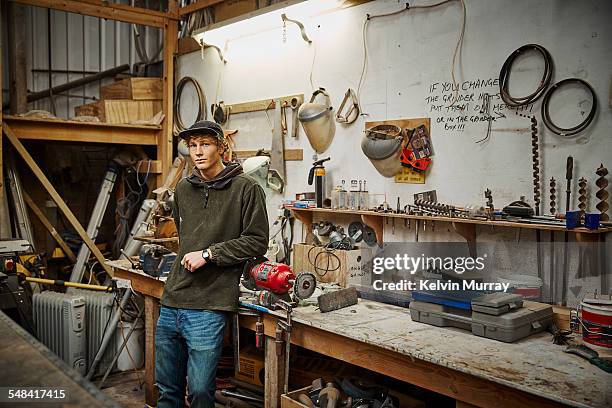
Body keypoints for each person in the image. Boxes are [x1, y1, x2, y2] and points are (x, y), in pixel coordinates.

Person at [155, 120, 269, 408]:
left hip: (209, 305)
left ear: (221, 147)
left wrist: (209, 254)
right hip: (173, 299)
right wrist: (196, 252)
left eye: (205, 144)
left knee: (201, 392)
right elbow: (186, 238)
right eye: (193, 146)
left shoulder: (246, 189)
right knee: (167, 391)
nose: (198, 152)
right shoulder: (183, 189)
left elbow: (256, 242)